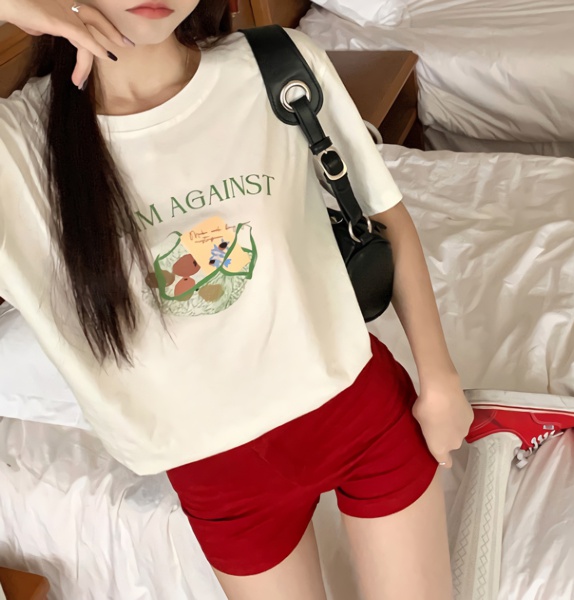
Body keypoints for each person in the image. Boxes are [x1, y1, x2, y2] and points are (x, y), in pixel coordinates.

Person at [0, 1, 474, 598]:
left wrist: (440, 382)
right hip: (221, 479)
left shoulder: (274, 66)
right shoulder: (17, 146)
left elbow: (384, 215)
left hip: (359, 414)